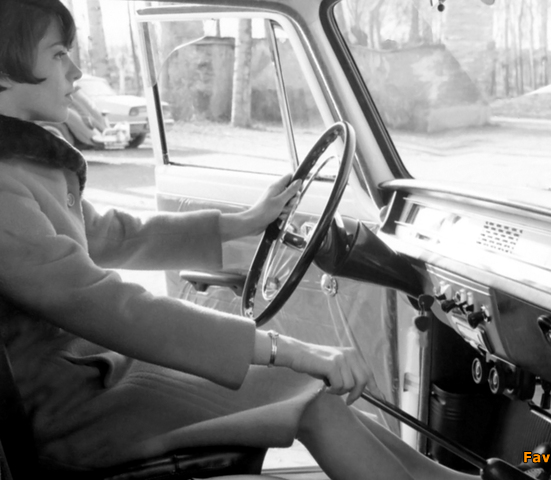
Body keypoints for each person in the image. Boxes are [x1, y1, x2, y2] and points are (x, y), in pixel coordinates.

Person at [0, 1, 484, 479]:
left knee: (307, 388)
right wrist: (288, 348)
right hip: (68, 409)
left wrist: (246, 221)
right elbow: (103, 303)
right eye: (59, 54)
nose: (76, 71)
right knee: (306, 397)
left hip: (97, 373)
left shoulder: (28, 164)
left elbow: (113, 235)